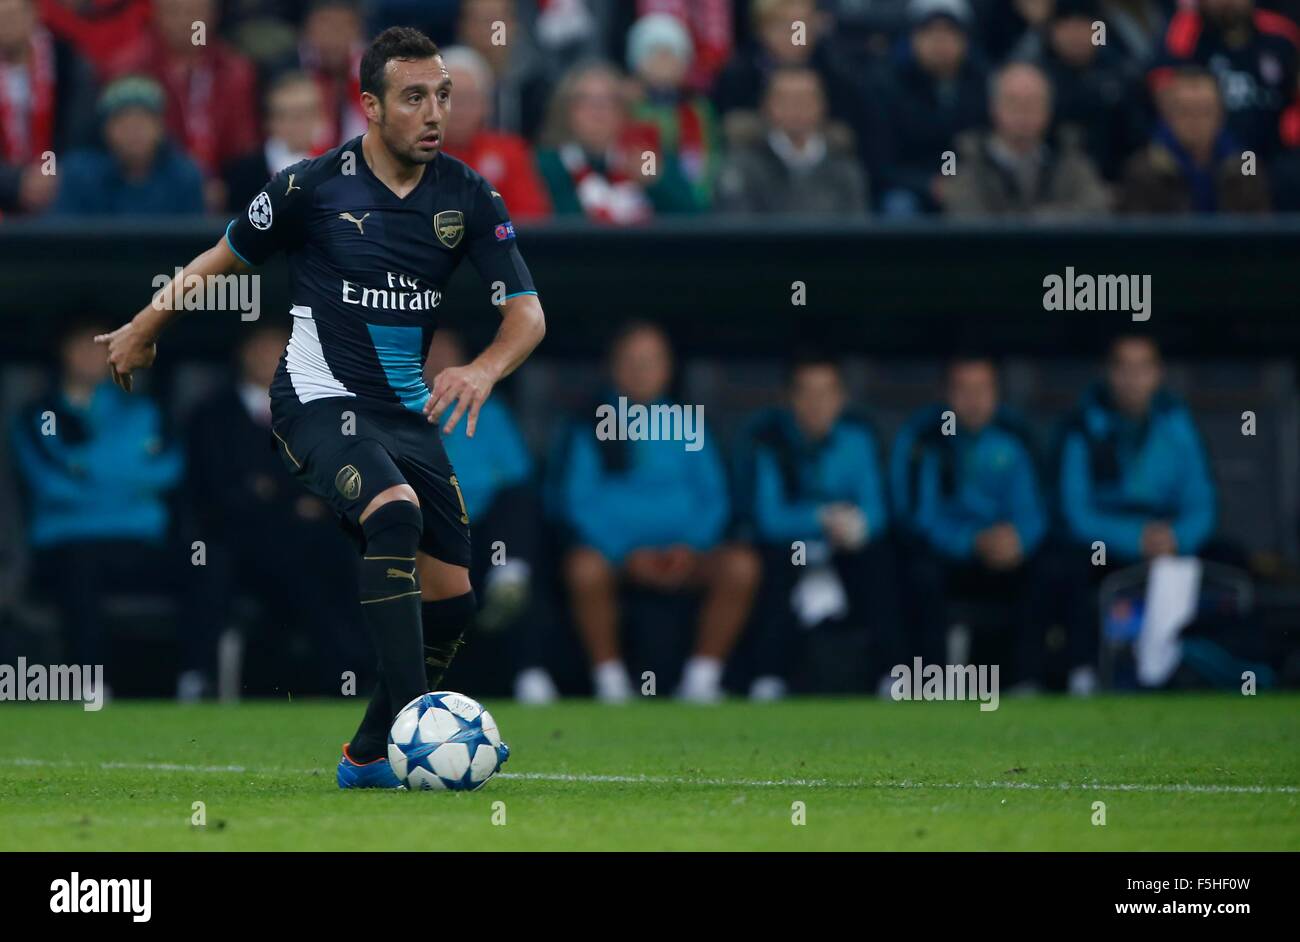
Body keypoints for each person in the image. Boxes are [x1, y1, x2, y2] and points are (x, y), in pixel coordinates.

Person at [94, 27, 546, 787]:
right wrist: (144, 327)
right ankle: (417, 731)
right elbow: (220, 256)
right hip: (315, 401)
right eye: (414, 97)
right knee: (393, 513)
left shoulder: (468, 195)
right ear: (369, 106)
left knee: (455, 603)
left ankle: (370, 755)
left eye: (443, 95)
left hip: (407, 416)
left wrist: (483, 368)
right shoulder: (310, 186)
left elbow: (528, 313)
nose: (434, 112)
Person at [550, 322, 759, 704]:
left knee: (741, 566)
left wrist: (690, 547)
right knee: (582, 567)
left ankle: (701, 680)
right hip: (618, 557)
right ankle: (610, 683)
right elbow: (577, 502)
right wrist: (626, 554)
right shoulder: (589, 423)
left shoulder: (688, 422)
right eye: (631, 361)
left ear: (667, 369)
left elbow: (715, 498)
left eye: (651, 361)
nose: (641, 370)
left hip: (687, 554)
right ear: (613, 367)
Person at [180, 323, 368, 701]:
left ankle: (354, 678)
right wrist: (287, 497)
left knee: (347, 555)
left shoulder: (319, 413)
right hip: (233, 541)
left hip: (308, 542)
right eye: (262, 348)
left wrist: (273, 491)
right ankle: (198, 678)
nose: (271, 357)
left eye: (280, 349)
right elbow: (215, 490)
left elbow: (334, 481)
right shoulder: (210, 415)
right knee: (209, 563)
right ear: (242, 353)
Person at [9, 315, 182, 691]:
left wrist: (86, 465)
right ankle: (90, 686)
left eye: (101, 345)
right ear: (62, 352)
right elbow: (52, 485)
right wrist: (127, 470)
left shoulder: (146, 411)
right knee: (79, 570)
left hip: (141, 543)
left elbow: (169, 472)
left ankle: (195, 683)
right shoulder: (42, 415)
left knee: (207, 562)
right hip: (69, 543)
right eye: (82, 345)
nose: (92, 355)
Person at [1056, 335, 1217, 693]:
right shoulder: (1083, 426)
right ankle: (1082, 673)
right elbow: (1075, 511)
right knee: (1064, 566)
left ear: (1157, 374)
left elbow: (1201, 501)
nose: (1133, 379)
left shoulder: (1177, 424)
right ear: (1108, 374)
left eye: (1142, 368)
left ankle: (1202, 669)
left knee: (1228, 561)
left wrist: (1177, 537)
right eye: (1123, 368)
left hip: (1170, 543)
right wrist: (1135, 538)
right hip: (1106, 544)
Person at [736, 353, 898, 699]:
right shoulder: (769, 440)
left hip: (845, 548)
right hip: (792, 547)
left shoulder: (858, 441)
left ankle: (891, 673)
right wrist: (820, 519)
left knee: (882, 559)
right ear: (789, 399)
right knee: (773, 564)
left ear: (841, 398)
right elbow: (768, 517)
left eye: (826, 393)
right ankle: (768, 677)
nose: (816, 404)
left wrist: (858, 525)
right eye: (806, 393)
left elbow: (877, 509)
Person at [423, 329, 557, 704]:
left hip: (486, 534)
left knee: (518, 507)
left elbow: (516, 478)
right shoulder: (396, 408)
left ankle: (531, 671)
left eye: (447, 351)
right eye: (429, 352)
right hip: (427, 531)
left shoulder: (490, 409)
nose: (438, 362)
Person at [898, 356, 1047, 685]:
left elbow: (1035, 510)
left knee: (1049, 569)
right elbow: (920, 518)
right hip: (951, 557)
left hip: (1007, 556)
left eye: (982, 389)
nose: (974, 400)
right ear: (946, 395)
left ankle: (1028, 682)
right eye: (963, 390)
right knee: (917, 571)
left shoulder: (1016, 437)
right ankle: (929, 682)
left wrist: (1017, 539)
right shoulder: (926, 440)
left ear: (996, 393)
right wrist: (971, 541)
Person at [535, 60, 698, 223]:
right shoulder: (547, 165)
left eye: (608, 101)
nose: (597, 112)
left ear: (623, 111)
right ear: (566, 110)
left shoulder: (647, 158)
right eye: (585, 101)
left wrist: (655, 182)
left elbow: (695, 218)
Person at [944, 60, 1111, 217]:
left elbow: (1096, 209)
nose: (1023, 111)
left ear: (1048, 110)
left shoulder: (1069, 158)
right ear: (994, 108)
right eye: (1013, 102)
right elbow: (964, 215)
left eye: (1033, 102)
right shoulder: (969, 160)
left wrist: (1036, 223)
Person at [878, 0, 988, 216]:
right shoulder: (887, 87)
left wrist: (959, 179)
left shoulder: (982, 84)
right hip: (910, 188)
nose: (940, 42)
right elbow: (881, 164)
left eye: (949, 32)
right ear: (913, 38)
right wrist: (928, 184)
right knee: (899, 205)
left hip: (972, 185)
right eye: (930, 32)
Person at [1149, 0, 1300, 157]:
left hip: (1280, 153)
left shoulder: (1282, 34)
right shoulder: (1185, 36)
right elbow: (1167, 103)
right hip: (1215, 160)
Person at [715, 66, 868, 215]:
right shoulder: (743, 166)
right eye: (785, 100)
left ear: (822, 106)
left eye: (805, 99)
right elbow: (735, 226)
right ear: (766, 106)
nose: (796, 108)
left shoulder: (843, 168)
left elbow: (856, 228)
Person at [1119, 66, 1271, 214]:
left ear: (1221, 114)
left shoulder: (1246, 166)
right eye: (1186, 111)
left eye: (1204, 111)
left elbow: (1259, 231)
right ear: (1168, 115)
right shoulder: (1144, 169)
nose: (1195, 121)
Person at [52, 75, 205, 215]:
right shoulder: (79, 176)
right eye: (123, 122)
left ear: (160, 128)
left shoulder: (185, 178)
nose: (133, 132)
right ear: (106, 130)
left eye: (142, 121)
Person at [0, 0, 98, 215]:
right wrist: (16, 181)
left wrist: (50, 174)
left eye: (14, 15)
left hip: (61, 184)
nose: (7, 23)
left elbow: (80, 130)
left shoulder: (67, 59)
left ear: (33, 15)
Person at [439, 45, 551, 221]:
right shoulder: (411, 154)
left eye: (467, 98)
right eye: (446, 97)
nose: (457, 108)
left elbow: (532, 220)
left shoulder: (511, 152)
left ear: (486, 105)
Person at [224, 71, 328, 213]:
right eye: (287, 115)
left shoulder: (338, 167)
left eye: (306, 113)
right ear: (270, 121)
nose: (298, 123)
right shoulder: (246, 174)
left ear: (320, 117)